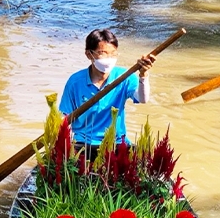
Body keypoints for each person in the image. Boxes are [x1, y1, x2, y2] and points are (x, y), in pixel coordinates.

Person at [59, 29, 155, 159]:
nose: (109, 58)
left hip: (116, 143)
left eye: (113, 54)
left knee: (146, 159)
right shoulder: (75, 82)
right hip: (83, 144)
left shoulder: (124, 76)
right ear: (89, 54)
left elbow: (142, 99)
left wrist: (143, 75)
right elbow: (63, 117)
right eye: (103, 53)